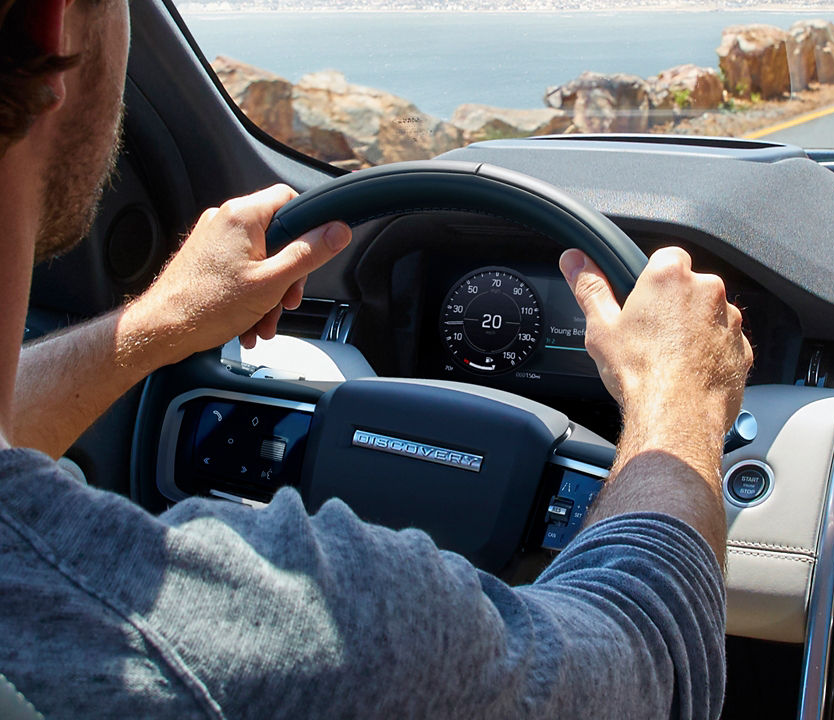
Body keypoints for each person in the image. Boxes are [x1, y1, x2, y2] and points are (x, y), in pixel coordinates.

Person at [0, 0, 753, 717]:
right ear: (52, 19)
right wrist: (676, 400)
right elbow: (651, 669)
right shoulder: (319, 641)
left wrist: (155, 325)